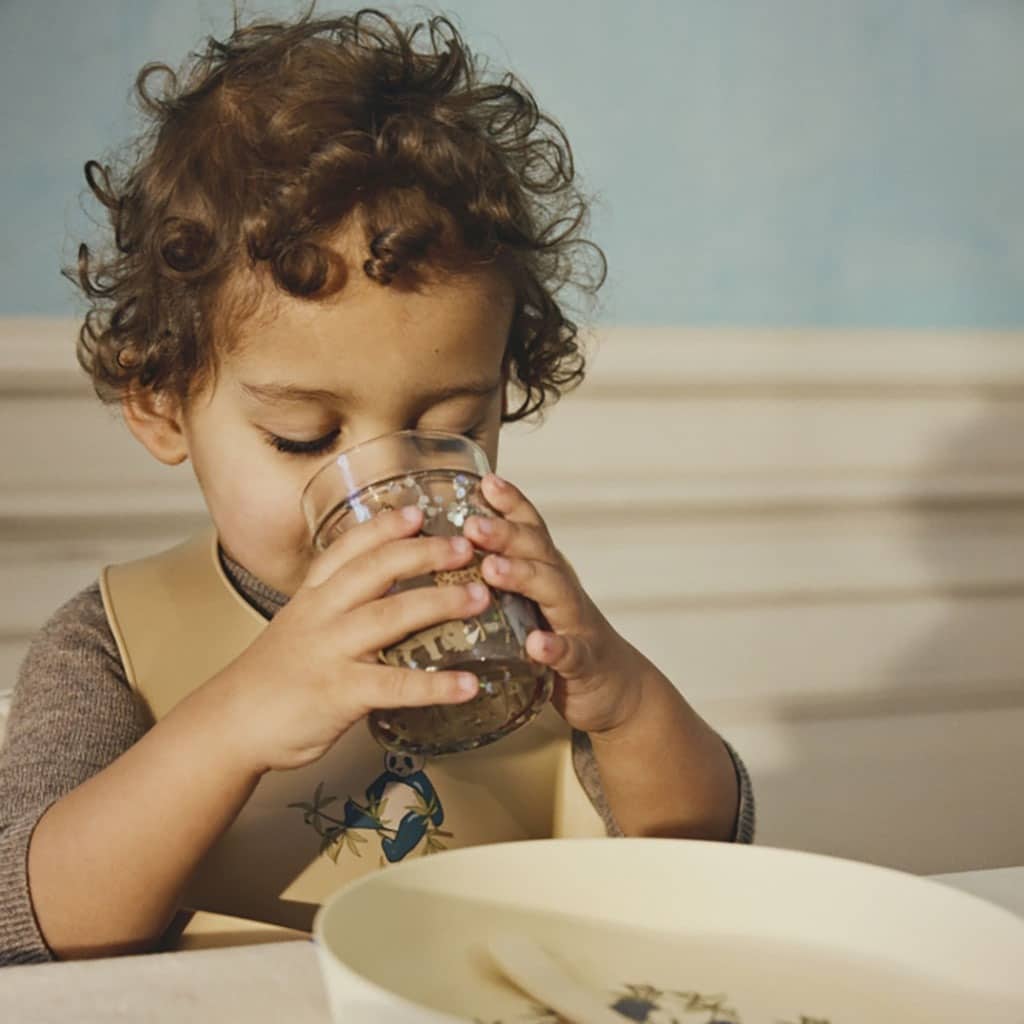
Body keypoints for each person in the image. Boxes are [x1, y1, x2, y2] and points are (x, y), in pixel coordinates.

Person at [0, 6, 754, 965]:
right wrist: (238, 719)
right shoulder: (111, 642)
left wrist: (627, 704)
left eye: (451, 430)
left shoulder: (514, 622)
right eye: (303, 436)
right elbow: (28, 927)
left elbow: (709, 863)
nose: (391, 486)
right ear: (161, 405)